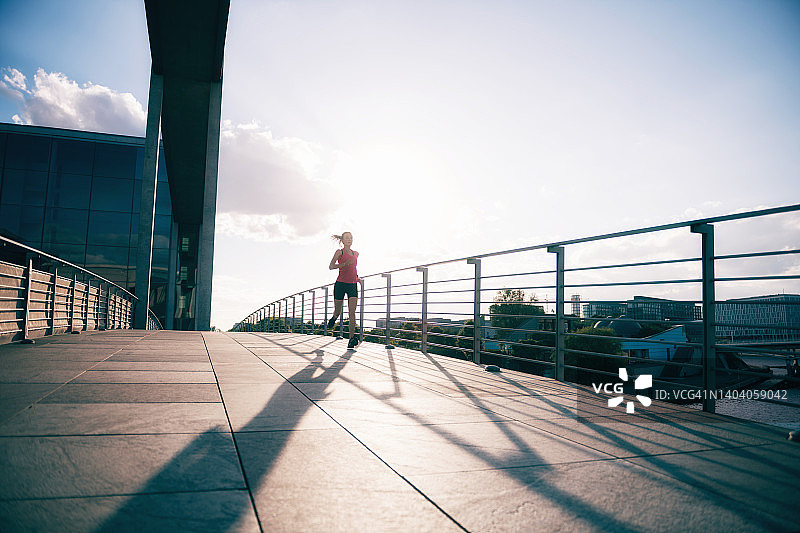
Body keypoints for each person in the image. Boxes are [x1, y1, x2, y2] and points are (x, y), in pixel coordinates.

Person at [327, 231, 360, 348]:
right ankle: (334, 318)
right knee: (338, 311)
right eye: (347, 238)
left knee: (352, 313)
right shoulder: (339, 252)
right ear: (342, 240)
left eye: (351, 238)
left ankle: (351, 338)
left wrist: (357, 278)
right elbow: (331, 266)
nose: (349, 239)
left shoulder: (356, 254)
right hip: (340, 284)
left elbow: (353, 268)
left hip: (352, 285)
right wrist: (344, 264)